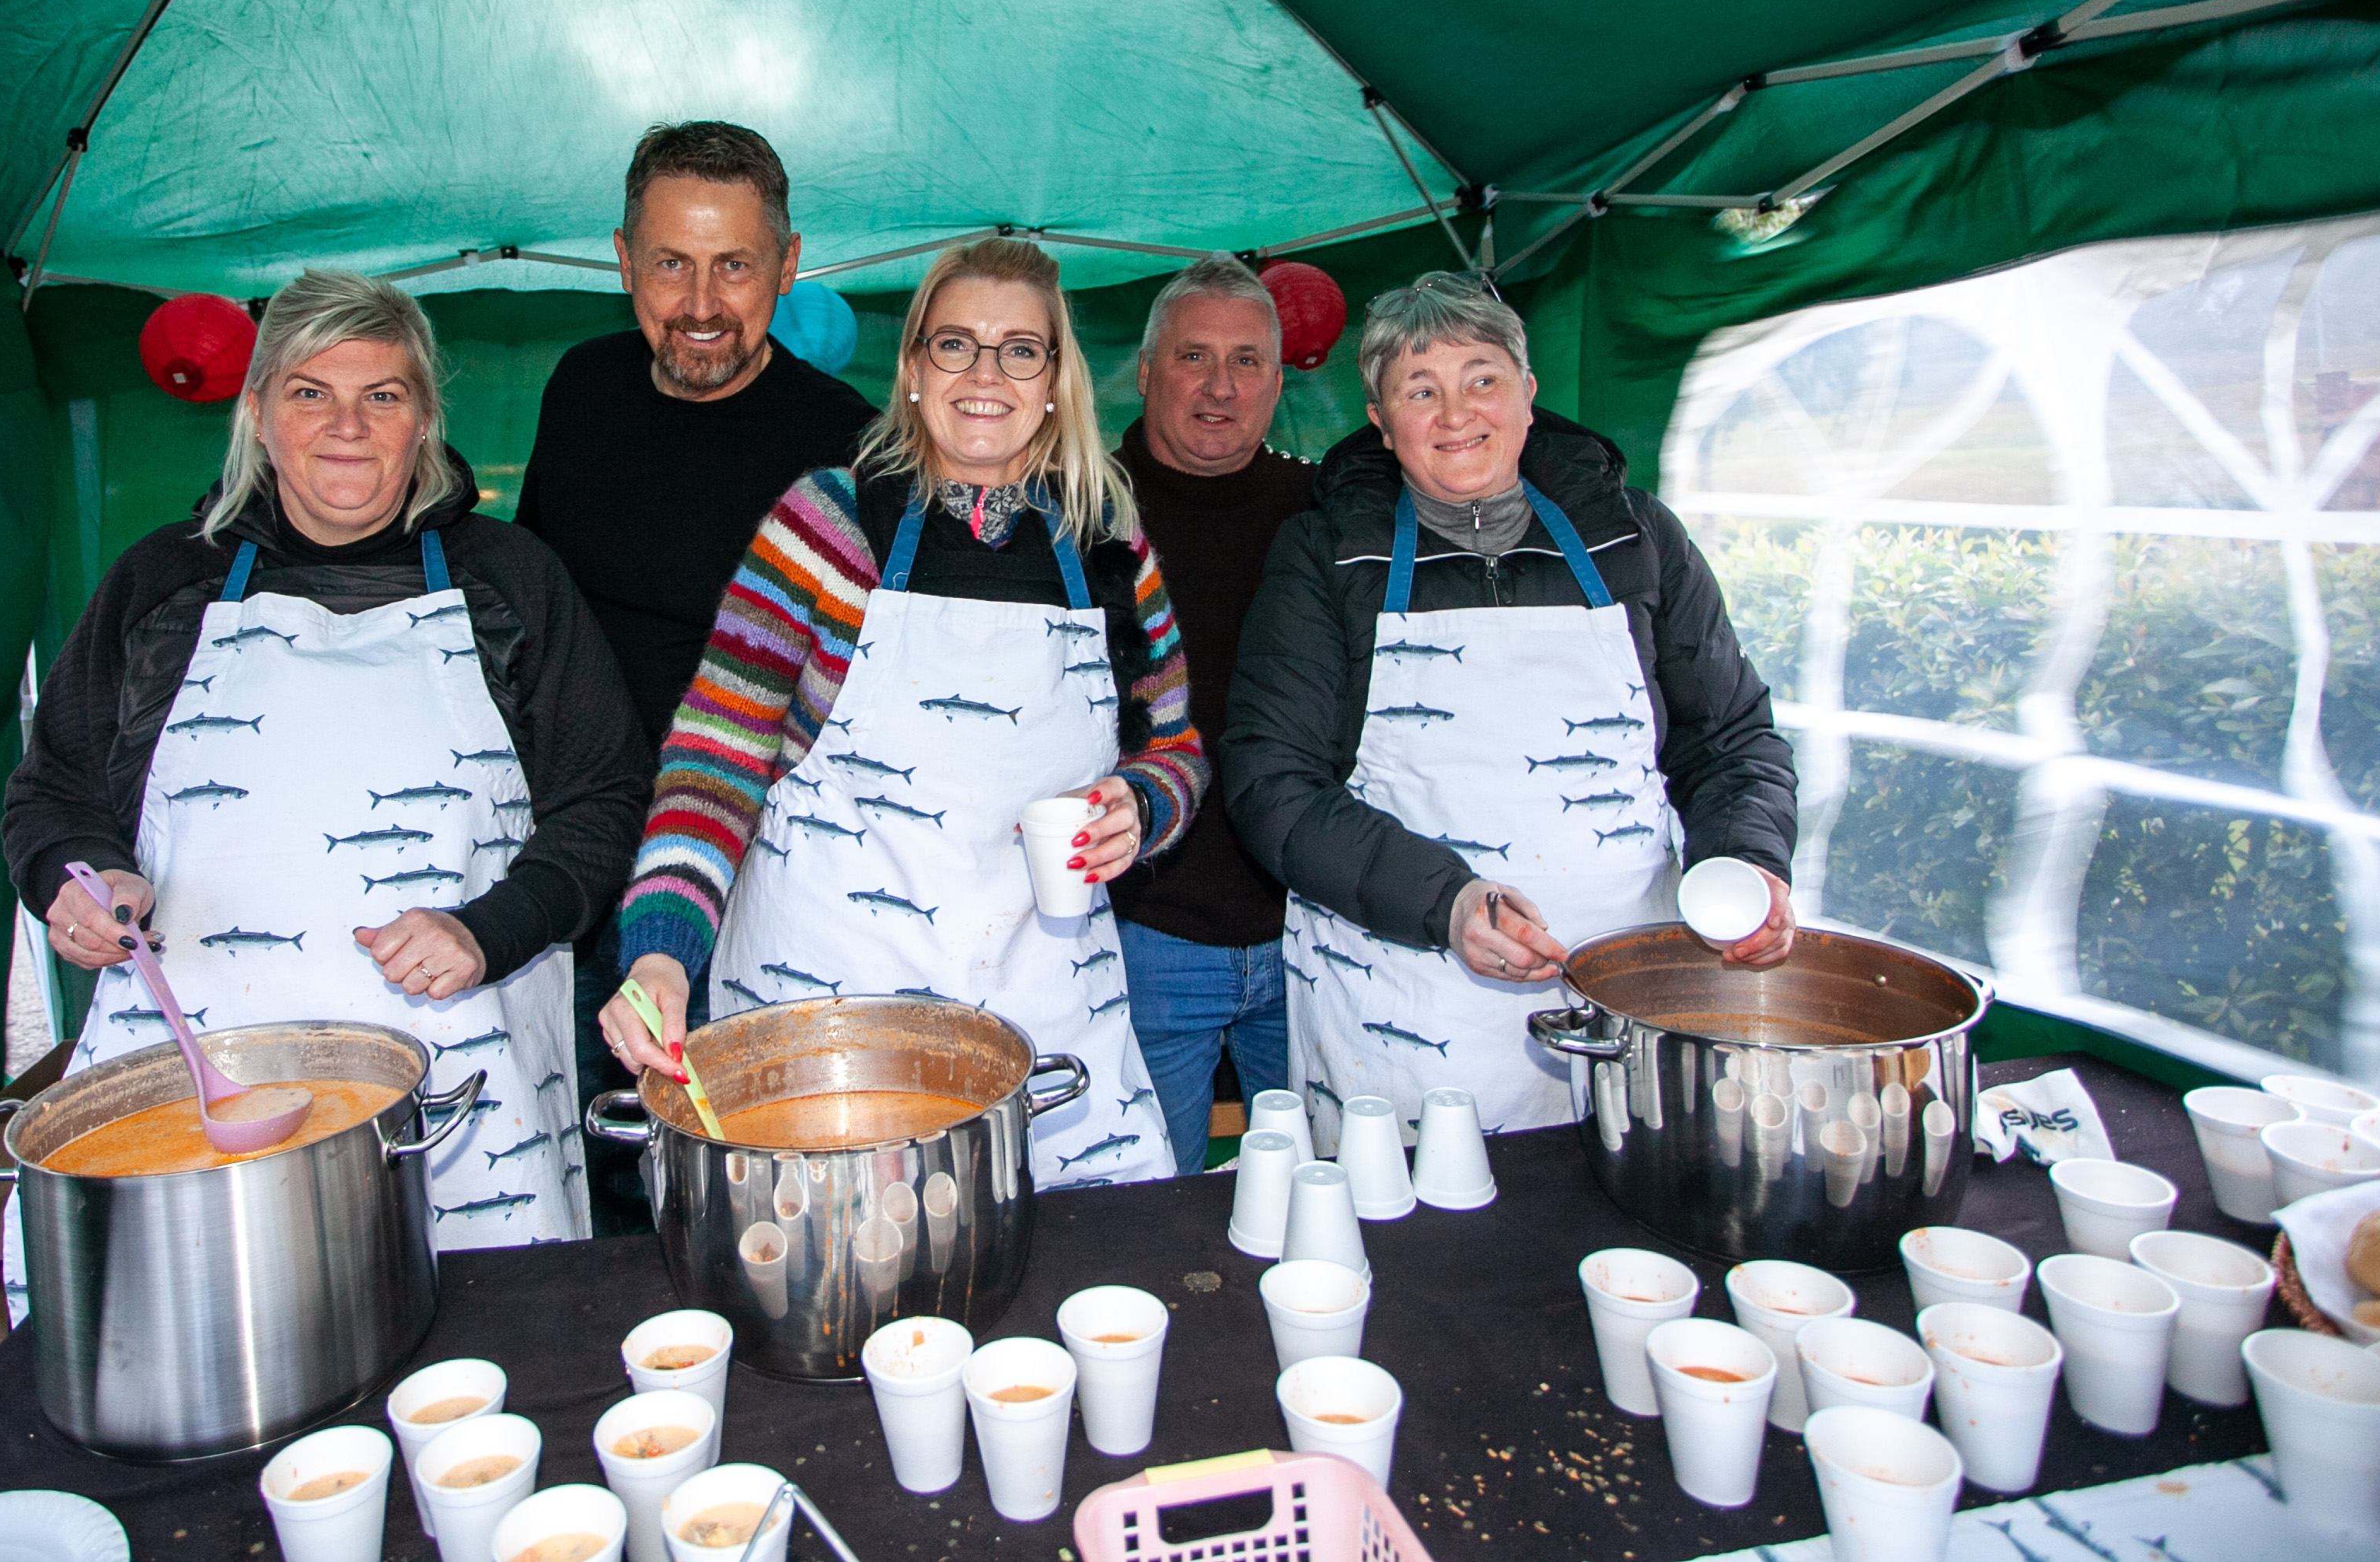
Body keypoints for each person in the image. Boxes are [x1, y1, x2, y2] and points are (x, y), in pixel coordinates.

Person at [4, 271, 648, 1255]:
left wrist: (494, 928)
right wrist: (82, 881)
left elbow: (604, 796)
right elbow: (53, 791)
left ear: (422, 421)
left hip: (461, 1081)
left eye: (381, 395)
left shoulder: (513, 579)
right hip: (201, 1073)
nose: (347, 426)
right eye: (311, 392)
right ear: (258, 415)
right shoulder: (161, 581)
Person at [602, 238, 1206, 1187]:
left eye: (1020, 350)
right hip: (830, 1017)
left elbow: (1173, 746)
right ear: (915, 368)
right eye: (955, 344)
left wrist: (1145, 803)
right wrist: (662, 953)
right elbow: (716, 765)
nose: (986, 375)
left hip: (1045, 1012)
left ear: (1055, 381)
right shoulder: (829, 527)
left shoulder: (1107, 545)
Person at [1227, 271, 1799, 1138]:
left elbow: (1728, 741)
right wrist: (1447, 902)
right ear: (1381, 421)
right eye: (1421, 391)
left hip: (1626, 984)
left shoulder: (1637, 538)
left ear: (1528, 395)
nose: (1457, 415)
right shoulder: (1326, 554)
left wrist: (1747, 862)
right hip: (1407, 998)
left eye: (1482, 379)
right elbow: (1273, 782)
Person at [515, 121, 872, 1229]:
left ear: (788, 264)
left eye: (735, 266)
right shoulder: (581, 387)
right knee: (611, 1176)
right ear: (624, 259)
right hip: (589, 864)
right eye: (672, 263)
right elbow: (531, 611)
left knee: (765, 1188)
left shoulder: (848, 447)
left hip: (761, 882)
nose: (702, 304)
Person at [1108, 257, 1317, 1171]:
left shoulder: (1324, 514)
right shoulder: (1079, 511)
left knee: (1327, 1202)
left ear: (1277, 381)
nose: (1220, 387)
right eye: (1194, 356)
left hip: (1313, 933)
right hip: (1142, 934)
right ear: (1146, 369)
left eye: (1247, 360)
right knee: (1150, 1208)